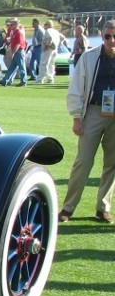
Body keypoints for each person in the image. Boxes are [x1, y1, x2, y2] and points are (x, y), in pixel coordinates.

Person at [58, 19, 115, 224]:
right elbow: (75, 89)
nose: (111, 40)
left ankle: (103, 208)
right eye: (108, 36)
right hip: (92, 112)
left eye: (114, 36)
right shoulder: (89, 57)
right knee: (83, 162)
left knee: (112, 163)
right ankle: (68, 208)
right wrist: (76, 118)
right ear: (102, 36)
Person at [0, 18, 27, 86]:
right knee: (12, 67)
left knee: (21, 67)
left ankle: (23, 81)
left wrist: (13, 53)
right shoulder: (14, 33)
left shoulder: (18, 33)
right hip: (15, 51)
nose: (10, 26)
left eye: (11, 25)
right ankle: (5, 80)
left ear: (15, 25)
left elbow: (18, 44)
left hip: (19, 52)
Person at [37, 20, 67, 84]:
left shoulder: (48, 31)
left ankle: (40, 79)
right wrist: (58, 44)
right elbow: (63, 38)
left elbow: (50, 38)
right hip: (55, 49)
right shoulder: (56, 31)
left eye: (45, 25)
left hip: (48, 49)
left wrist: (47, 45)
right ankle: (50, 78)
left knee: (43, 64)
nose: (44, 26)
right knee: (51, 64)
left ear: (47, 25)